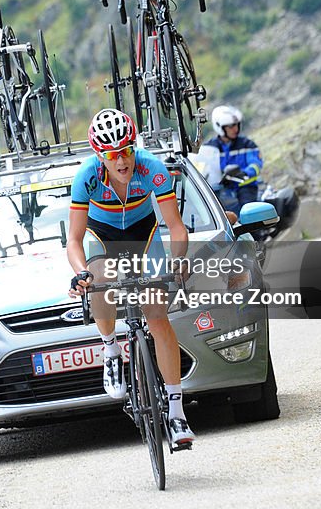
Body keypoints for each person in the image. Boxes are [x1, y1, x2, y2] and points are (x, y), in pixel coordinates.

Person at [66, 109, 195, 446]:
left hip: (143, 233)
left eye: (126, 150)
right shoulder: (87, 177)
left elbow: (176, 226)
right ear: (100, 156)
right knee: (101, 277)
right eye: (112, 154)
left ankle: (178, 415)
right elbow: (74, 240)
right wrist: (81, 272)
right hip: (101, 234)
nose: (121, 160)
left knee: (158, 316)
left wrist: (177, 262)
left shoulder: (151, 168)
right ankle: (110, 351)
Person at [204, 105, 263, 216]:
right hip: (219, 189)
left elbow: (256, 164)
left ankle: (255, 232)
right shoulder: (209, 148)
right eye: (230, 126)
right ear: (219, 127)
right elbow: (202, 166)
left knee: (249, 214)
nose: (235, 129)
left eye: (236, 125)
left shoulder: (247, 144)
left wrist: (244, 173)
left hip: (244, 187)